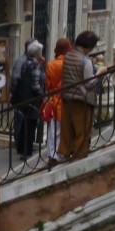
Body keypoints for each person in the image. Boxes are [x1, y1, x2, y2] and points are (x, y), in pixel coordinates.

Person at [61, 31, 99, 161]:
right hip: (81, 99)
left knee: (68, 129)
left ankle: (67, 151)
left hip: (67, 98)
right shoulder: (85, 60)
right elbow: (89, 83)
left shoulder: (68, 56)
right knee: (82, 129)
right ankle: (79, 155)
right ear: (89, 47)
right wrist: (99, 73)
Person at [10, 40, 45, 158]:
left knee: (25, 123)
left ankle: (22, 148)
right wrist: (43, 94)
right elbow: (35, 85)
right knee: (30, 124)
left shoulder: (26, 63)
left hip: (24, 98)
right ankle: (26, 151)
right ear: (37, 53)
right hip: (32, 100)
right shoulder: (35, 65)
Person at [43, 38, 71, 169]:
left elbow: (48, 85)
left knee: (52, 129)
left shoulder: (50, 64)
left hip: (53, 100)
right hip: (65, 99)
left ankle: (51, 154)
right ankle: (61, 154)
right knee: (63, 129)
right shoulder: (69, 63)